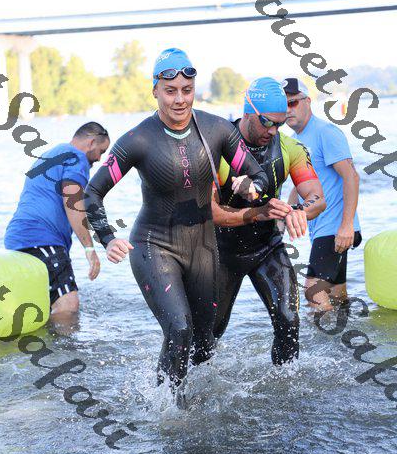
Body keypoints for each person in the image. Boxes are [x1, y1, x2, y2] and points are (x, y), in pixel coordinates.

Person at [85, 48, 269, 393]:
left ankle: (188, 402)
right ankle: (165, 408)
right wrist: (107, 237)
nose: (180, 99)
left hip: (202, 247)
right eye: (170, 91)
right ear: (155, 90)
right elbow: (92, 193)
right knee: (179, 330)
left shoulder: (217, 129)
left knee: (204, 343)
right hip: (154, 245)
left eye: (187, 90)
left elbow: (259, 176)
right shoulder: (137, 140)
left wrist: (251, 187)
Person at [212, 77, 325, 364]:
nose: (273, 131)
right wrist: (257, 213)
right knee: (210, 332)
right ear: (248, 111)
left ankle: (287, 385)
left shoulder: (290, 148)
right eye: (267, 123)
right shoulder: (217, 149)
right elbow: (211, 213)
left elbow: (317, 197)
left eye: (280, 124)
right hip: (220, 253)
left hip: (267, 248)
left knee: (289, 320)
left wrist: (299, 210)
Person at [5, 122, 110, 326]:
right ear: (91, 143)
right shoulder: (76, 157)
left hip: (19, 239)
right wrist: (89, 249)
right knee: (68, 304)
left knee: (44, 304)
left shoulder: (52, 154)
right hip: (40, 238)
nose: (99, 159)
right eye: (101, 151)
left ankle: (43, 342)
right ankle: (61, 347)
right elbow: (72, 201)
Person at [283, 78, 361, 311]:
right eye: (283, 105)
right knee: (336, 294)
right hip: (322, 230)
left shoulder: (326, 132)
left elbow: (351, 177)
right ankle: (349, 330)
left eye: (293, 103)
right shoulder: (294, 141)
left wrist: (346, 226)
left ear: (308, 101)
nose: (288, 110)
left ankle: (322, 336)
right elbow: (300, 186)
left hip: (336, 228)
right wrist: (285, 218)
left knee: (313, 292)